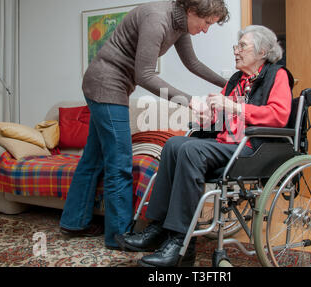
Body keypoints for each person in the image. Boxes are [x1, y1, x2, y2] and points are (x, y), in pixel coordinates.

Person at [59, 0, 230, 250]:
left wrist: (229, 84)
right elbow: (145, 75)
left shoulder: (180, 23)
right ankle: (119, 236)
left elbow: (193, 63)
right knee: (120, 164)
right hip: (105, 85)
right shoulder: (157, 19)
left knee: (93, 158)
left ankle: (73, 221)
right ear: (193, 9)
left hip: (110, 86)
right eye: (207, 22)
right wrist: (190, 101)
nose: (206, 30)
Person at [114, 25, 294, 267]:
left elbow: (279, 116)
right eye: (236, 46)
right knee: (174, 144)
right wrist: (207, 118)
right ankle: (157, 227)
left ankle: (180, 243)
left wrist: (233, 107)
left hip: (253, 149)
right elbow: (220, 118)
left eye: (242, 46)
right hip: (227, 145)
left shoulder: (277, 75)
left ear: (263, 50)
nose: (236, 51)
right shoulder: (236, 80)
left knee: (190, 150)